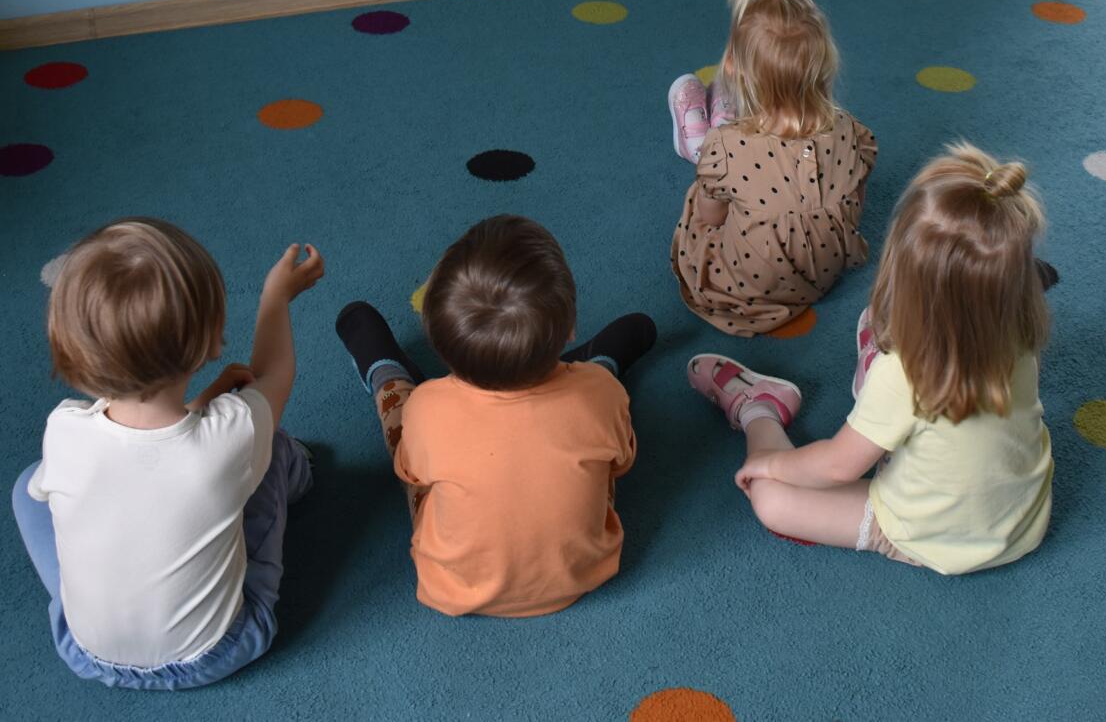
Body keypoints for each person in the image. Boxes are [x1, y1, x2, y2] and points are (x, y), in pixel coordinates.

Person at [686, 143, 1053, 573]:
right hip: (1022, 524)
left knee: (771, 498)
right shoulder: (1019, 326)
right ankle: (875, 370)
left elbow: (837, 466)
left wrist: (772, 463)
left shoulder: (904, 376)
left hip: (921, 534)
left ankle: (760, 408)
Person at [12, 219, 323, 688]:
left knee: (30, 485)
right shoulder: (232, 434)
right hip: (219, 651)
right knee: (270, 447)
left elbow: (147, 454)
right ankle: (303, 473)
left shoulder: (63, 430)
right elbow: (272, 374)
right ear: (211, 341)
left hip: (86, 653)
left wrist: (205, 404)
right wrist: (275, 297)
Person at [335, 214, 656, 618]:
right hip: (579, 574)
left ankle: (386, 372)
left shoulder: (428, 407)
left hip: (456, 585)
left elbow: (411, 472)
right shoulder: (601, 394)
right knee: (596, 421)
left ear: (442, 347)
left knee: (403, 421)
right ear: (570, 327)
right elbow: (621, 462)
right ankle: (597, 362)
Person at [667, 0, 877, 334]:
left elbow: (711, 218)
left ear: (732, 66)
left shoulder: (727, 150)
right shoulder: (850, 131)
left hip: (739, 288)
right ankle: (731, 121)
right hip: (820, 277)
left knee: (703, 193)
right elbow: (854, 207)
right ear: (826, 64)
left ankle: (701, 141)